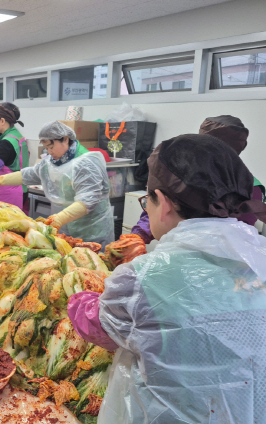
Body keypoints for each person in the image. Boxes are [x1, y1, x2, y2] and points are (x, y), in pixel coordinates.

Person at [67, 134, 266, 423]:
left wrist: (79, 296)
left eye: (146, 201)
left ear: (163, 202)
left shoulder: (142, 277)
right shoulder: (258, 258)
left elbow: (100, 328)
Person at [132, 115, 265, 243]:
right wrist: (137, 236)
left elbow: (237, 235)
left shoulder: (248, 188)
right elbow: (158, 206)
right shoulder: (248, 185)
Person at [0, 121, 114, 247]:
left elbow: (88, 200)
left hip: (91, 230)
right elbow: (30, 174)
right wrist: (0, 180)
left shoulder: (86, 163)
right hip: (65, 229)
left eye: (51, 147)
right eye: (46, 148)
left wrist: (59, 218)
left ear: (65, 139)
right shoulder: (52, 162)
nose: (49, 152)